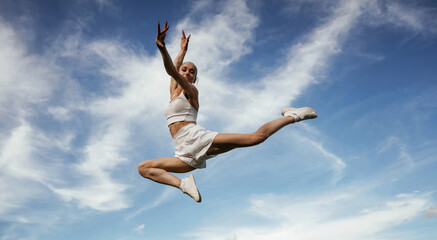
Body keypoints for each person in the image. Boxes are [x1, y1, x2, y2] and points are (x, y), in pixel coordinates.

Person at [138, 21, 317, 202]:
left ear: (194, 78)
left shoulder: (191, 91)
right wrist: (183, 50)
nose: (187, 73)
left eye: (191, 72)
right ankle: (184, 185)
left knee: (254, 138)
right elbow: (174, 69)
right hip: (182, 149)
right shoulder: (173, 93)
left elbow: (172, 70)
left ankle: (292, 115)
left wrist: (162, 47)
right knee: (144, 168)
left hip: (195, 137)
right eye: (185, 69)